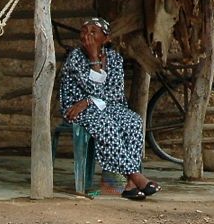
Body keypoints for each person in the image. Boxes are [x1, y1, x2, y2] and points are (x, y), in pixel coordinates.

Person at [59, 17, 161, 200]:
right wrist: (93, 58)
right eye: (83, 31)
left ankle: (130, 185)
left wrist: (89, 101)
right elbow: (94, 89)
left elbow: (115, 93)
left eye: (93, 32)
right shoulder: (75, 57)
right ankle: (135, 175)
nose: (86, 35)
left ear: (106, 39)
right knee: (106, 124)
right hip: (76, 110)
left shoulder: (114, 58)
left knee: (133, 121)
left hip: (104, 105)